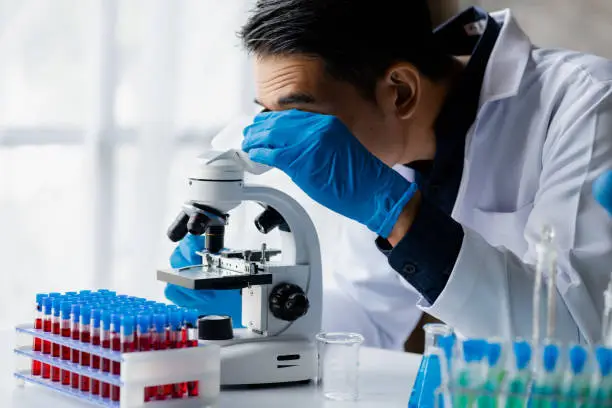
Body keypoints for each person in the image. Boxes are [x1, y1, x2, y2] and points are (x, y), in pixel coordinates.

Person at [172, 0, 612, 344]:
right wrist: (254, 303)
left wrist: (401, 218)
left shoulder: (586, 103)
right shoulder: (385, 152)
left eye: (299, 116)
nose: (285, 140)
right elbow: (364, 320)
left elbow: (574, 337)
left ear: (399, 92)